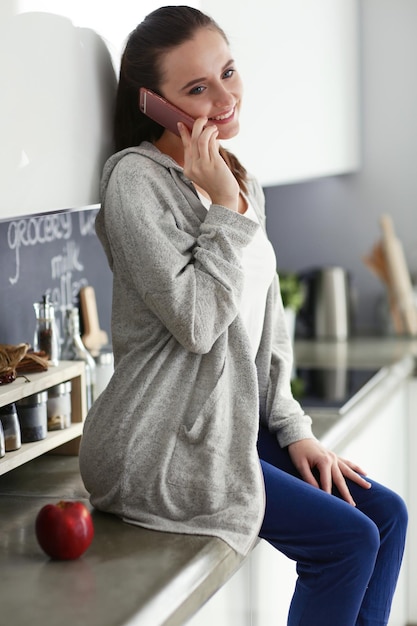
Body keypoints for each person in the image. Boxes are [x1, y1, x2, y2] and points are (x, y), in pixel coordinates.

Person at [79, 6, 407, 625]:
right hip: (159, 440)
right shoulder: (134, 183)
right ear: (153, 103)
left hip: (230, 423)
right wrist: (226, 211)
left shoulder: (238, 179)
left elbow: (265, 323)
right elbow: (199, 323)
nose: (225, 98)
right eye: (197, 89)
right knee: (346, 542)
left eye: (228, 72)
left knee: (386, 515)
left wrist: (295, 430)